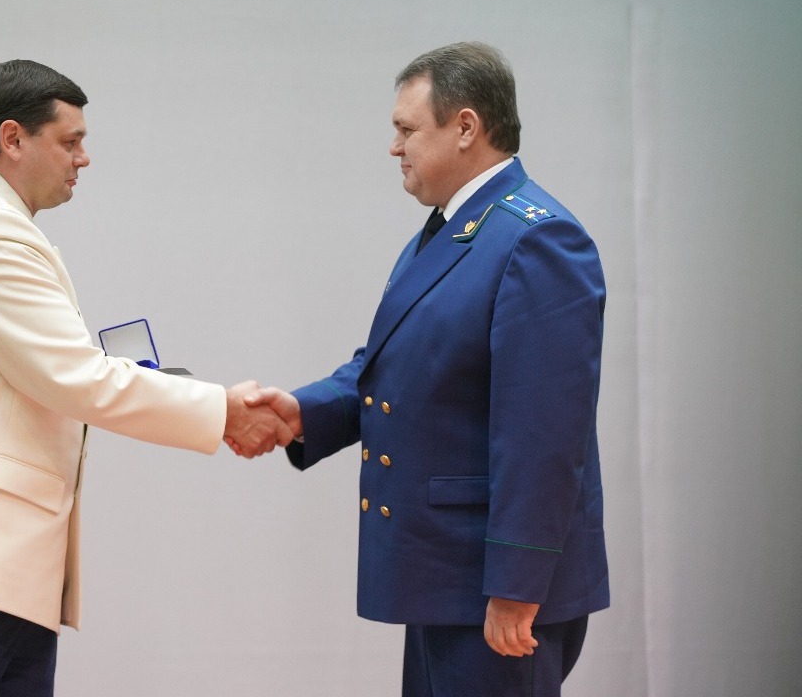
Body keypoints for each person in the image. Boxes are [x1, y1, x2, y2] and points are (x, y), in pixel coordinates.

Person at [0, 59, 291, 697]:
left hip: (0, 569)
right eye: (70, 141)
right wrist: (221, 409)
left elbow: (64, 375)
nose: (83, 158)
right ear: (12, 138)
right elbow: (75, 378)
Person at [245, 43, 609, 695]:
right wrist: (304, 412)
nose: (395, 147)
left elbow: (544, 434)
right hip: (446, 577)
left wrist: (516, 585)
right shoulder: (454, 230)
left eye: (407, 129)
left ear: (465, 127)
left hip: (495, 590)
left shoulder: (536, 238)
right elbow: (396, 366)